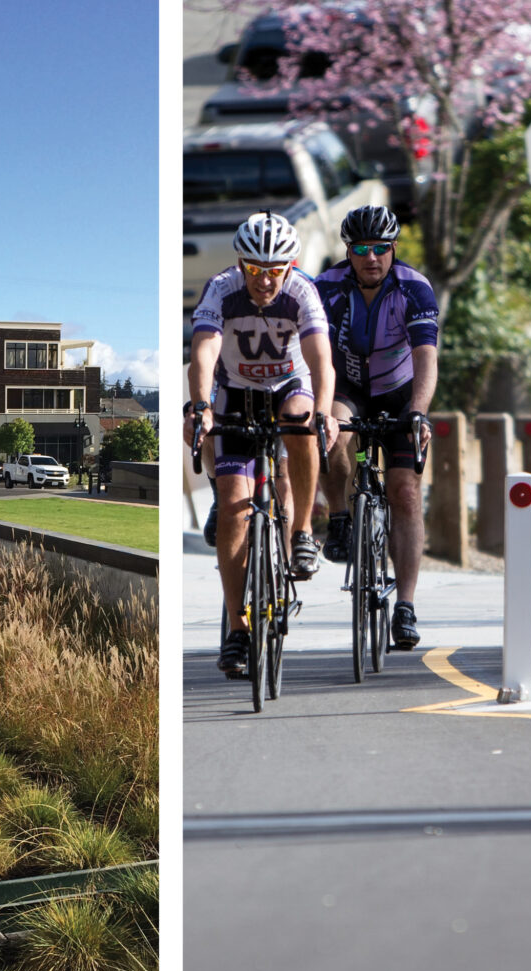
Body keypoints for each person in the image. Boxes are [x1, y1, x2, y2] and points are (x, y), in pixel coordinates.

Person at [184, 212, 334, 676]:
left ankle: (303, 530)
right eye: (254, 269)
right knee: (233, 507)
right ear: (240, 264)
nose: (265, 281)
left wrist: (324, 411)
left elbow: (320, 359)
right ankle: (237, 628)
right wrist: (201, 404)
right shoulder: (222, 289)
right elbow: (204, 348)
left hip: (290, 385)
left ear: (289, 266)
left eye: (274, 270)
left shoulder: (302, 291)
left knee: (300, 420)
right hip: (237, 390)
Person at [313, 205, 438, 651]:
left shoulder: (414, 289)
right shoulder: (325, 288)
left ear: (393, 250)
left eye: (381, 249)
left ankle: (404, 605)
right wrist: (323, 410)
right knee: (330, 434)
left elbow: (426, 358)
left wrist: (418, 411)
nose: (372, 258)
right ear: (348, 251)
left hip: (400, 392)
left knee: (404, 491)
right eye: (362, 249)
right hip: (347, 386)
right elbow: (315, 355)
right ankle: (342, 518)